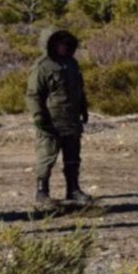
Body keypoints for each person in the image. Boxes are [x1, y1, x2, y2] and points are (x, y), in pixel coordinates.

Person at [27, 28, 92, 207]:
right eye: (59, 44)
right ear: (50, 44)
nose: (63, 47)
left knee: (72, 158)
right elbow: (33, 94)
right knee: (46, 157)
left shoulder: (72, 64)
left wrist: (84, 109)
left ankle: (73, 189)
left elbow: (79, 89)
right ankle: (42, 192)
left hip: (71, 120)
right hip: (50, 121)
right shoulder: (42, 66)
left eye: (65, 43)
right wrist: (39, 117)